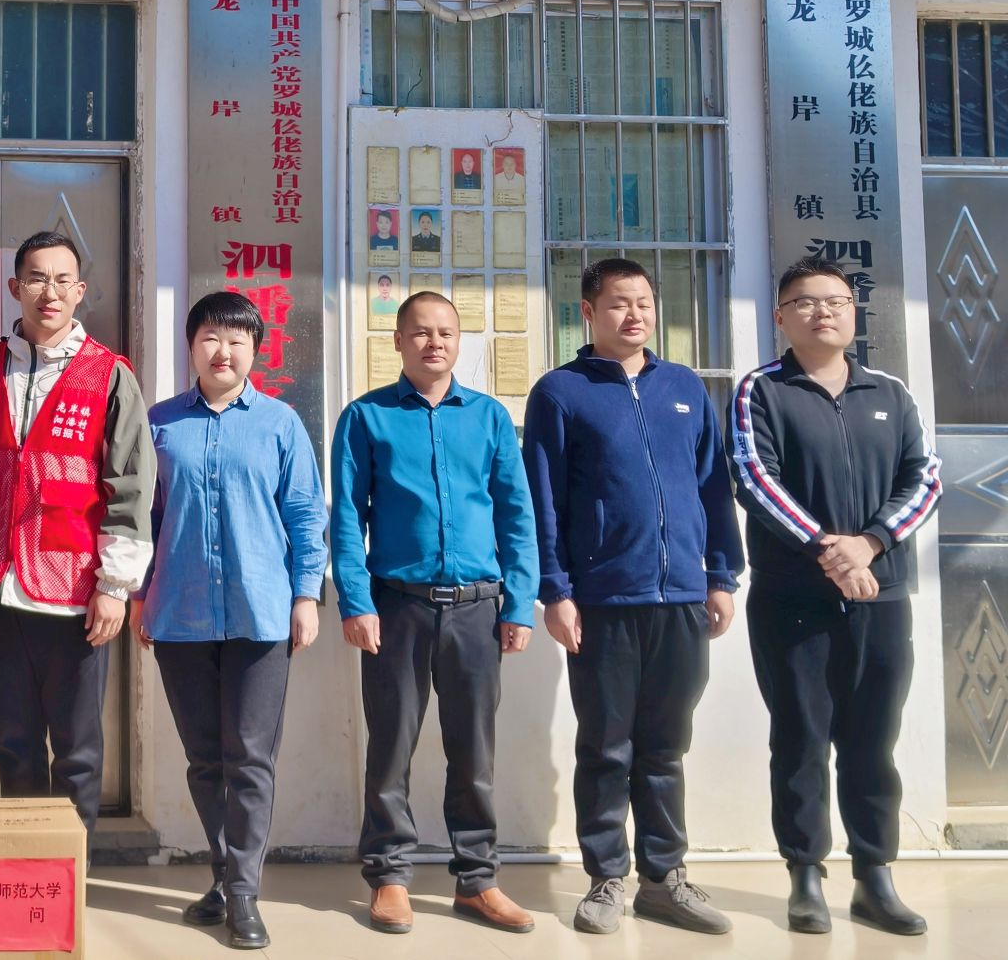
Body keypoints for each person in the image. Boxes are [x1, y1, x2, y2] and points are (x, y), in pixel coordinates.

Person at [522, 258, 744, 936]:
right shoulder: (560, 392)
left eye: (644, 301)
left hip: (680, 597)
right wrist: (556, 590)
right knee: (606, 745)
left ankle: (664, 877)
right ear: (588, 312)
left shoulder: (684, 387)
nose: (635, 314)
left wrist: (721, 574)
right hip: (602, 600)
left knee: (665, 746)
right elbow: (544, 501)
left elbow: (713, 486)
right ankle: (606, 877)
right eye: (619, 303)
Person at [731, 258, 943, 937]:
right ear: (780, 316)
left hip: (881, 594)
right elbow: (754, 479)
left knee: (872, 740)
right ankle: (805, 874)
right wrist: (830, 549)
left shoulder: (891, 392)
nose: (823, 311)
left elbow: (925, 479)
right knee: (799, 738)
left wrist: (871, 543)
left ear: (854, 312)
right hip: (794, 600)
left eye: (836, 300)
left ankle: (874, 876)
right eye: (806, 301)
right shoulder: (762, 390)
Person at [329, 291, 536, 936]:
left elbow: (517, 515)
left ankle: (477, 880)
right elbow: (347, 519)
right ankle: (389, 877)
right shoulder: (366, 417)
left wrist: (519, 604)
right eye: (421, 332)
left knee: (473, 750)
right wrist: (357, 602)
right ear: (398, 340)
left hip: (477, 609)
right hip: (397, 607)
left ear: (458, 341)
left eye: (445, 332)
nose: (434, 343)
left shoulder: (490, 418)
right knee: (391, 745)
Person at [136, 292, 326, 950]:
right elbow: (143, 517)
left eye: (237, 340)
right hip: (179, 612)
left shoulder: (280, 423)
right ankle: (223, 876)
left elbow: (305, 512)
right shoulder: (160, 423)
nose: (224, 351)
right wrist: (138, 594)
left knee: (248, 758)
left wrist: (306, 595)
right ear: (192, 345)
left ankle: (243, 893)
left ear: (256, 350)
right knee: (204, 759)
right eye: (211, 338)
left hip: (261, 612)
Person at [0, 230, 155, 828]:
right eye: (37, 279)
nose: (50, 292)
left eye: (63, 280)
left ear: (80, 291)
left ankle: (69, 873)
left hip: (76, 593)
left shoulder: (108, 375)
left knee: (77, 751)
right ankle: (25, 867)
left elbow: (130, 483)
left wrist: (114, 586)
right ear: (16, 287)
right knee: (13, 744)